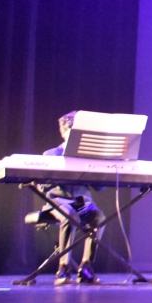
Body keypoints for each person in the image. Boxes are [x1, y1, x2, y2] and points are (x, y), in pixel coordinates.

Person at [44, 111, 105, 285]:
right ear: (63, 132)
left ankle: (86, 267)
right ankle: (63, 268)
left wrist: (98, 170)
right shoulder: (51, 154)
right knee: (69, 215)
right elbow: (42, 186)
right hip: (57, 201)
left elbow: (100, 187)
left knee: (98, 217)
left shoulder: (87, 157)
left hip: (82, 203)